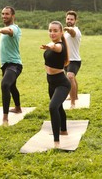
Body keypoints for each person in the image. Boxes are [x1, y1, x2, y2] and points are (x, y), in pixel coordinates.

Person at [40, 21, 71, 149]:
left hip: (62, 84)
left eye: (55, 31)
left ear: (61, 32)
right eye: (50, 30)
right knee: (58, 107)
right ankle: (63, 130)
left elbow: (56, 48)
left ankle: (56, 142)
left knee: (53, 107)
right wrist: (49, 46)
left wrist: (51, 46)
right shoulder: (51, 44)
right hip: (51, 82)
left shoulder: (60, 45)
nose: (52, 33)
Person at [0, 6, 23, 126]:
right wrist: (1, 30)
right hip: (5, 65)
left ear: (13, 16)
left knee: (5, 85)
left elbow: (9, 31)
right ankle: (18, 108)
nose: (4, 16)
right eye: (3, 14)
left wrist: (0, 30)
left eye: (7, 14)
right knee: (12, 86)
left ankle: (5, 118)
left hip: (14, 64)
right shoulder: (6, 28)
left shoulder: (15, 28)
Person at [63, 11, 82, 109]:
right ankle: (76, 96)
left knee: (70, 77)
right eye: (68, 19)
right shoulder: (65, 33)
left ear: (75, 20)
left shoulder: (76, 30)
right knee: (72, 78)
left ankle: (73, 103)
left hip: (74, 60)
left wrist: (67, 28)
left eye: (71, 19)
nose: (69, 21)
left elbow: (72, 32)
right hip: (66, 60)